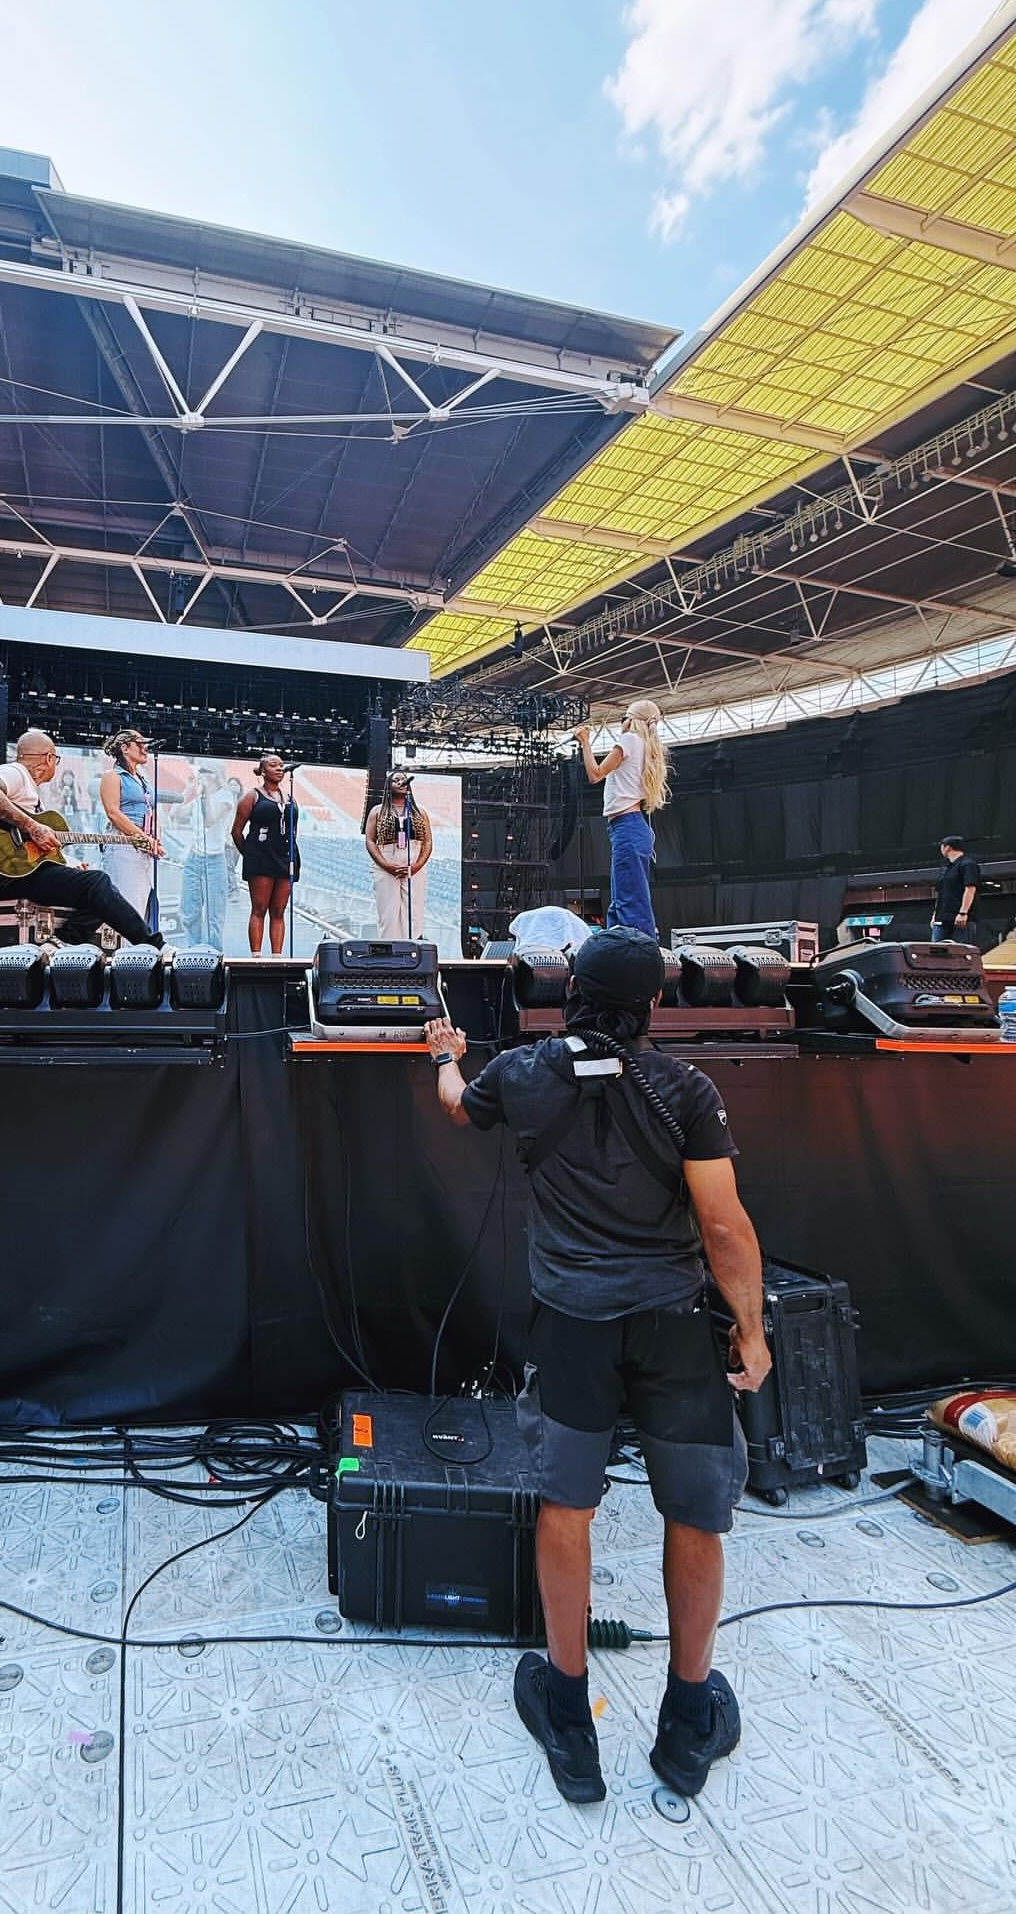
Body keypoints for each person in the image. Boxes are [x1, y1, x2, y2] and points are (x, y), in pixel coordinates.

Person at [425, 927, 770, 1805]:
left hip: (572, 1328)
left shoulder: (526, 1073)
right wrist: (752, 1331)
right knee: (695, 1515)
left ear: (570, 991)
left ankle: (570, 1719)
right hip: (672, 1331)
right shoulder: (685, 1089)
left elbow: (459, 1104)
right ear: (652, 1004)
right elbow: (724, 1226)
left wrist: (444, 1055)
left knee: (566, 1508)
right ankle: (687, 1725)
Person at [0, 729, 162, 947]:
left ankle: (57, 944)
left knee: (99, 890)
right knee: (98, 884)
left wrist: (70, 864)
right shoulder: (17, 772)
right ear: (49, 758)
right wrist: (33, 826)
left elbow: (35, 853)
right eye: (56, 759)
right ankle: (153, 944)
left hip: (11, 875)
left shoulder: (32, 796)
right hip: (7, 876)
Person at [574, 700, 670, 941]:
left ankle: (640, 956)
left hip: (627, 827)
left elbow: (595, 774)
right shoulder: (646, 746)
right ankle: (623, 953)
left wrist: (585, 742)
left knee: (629, 903)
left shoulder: (629, 741)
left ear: (631, 720)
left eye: (624, 718)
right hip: (629, 827)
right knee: (622, 900)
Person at [99, 729, 167, 940]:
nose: (145, 748)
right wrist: (142, 838)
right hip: (123, 845)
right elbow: (113, 812)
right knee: (126, 902)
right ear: (125, 748)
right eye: (140, 743)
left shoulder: (144, 780)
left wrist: (155, 838)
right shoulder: (113, 777)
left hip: (144, 848)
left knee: (142, 903)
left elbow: (153, 812)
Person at [232, 753, 299, 955]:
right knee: (259, 908)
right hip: (261, 859)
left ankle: (277, 956)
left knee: (279, 911)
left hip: (286, 858)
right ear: (262, 770)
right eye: (273, 765)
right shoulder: (252, 797)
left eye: (281, 765)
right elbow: (236, 832)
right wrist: (251, 855)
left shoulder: (290, 798)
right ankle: (256, 956)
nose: (279, 768)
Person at [364, 770, 433, 938]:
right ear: (388, 786)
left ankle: (412, 950)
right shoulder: (377, 811)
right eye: (396, 780)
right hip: (387, 860)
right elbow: (370, 841)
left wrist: (416, 866)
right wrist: (386, 865)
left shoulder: (420, 812)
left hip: (413, 861)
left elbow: (428, 842)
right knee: (388, 913)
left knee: (413, 913)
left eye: (404, 780)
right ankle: (389, 953)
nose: (402, 782)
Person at [178, 763, 237, 946]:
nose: (201, 775)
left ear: (215, 775)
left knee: (214, 916)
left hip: (215, 860)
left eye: (205, 772)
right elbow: (176, 813)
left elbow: (210, 820)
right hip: (194, 858)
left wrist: (206, 792)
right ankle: (192, 949)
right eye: (200, 772)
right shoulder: (199, 799)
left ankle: (213, 955)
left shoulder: (225, 797)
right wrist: (188, 791)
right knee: (190, 912)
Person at [932, 834, 980, 944]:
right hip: (942, 918)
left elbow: (970, 889)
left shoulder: (968, 864)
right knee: (936, 953)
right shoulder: (946, 868)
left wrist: (963, 913)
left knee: (961, 952)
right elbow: (941, 894)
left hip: (960, 918)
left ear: (947, 847)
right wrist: (935, 915)